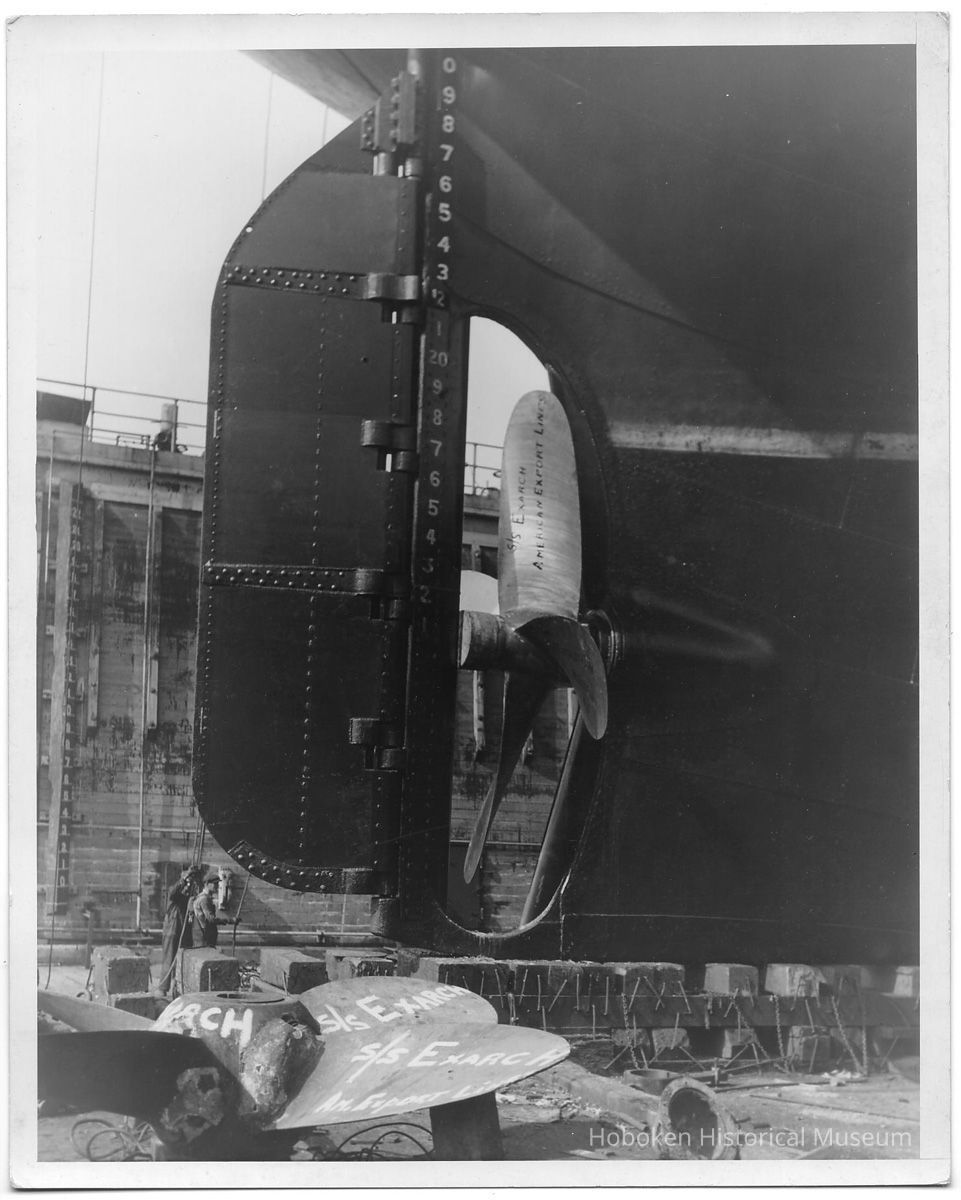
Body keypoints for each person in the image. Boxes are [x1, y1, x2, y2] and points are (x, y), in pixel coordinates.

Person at [159, 865, 201, 994]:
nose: (188, 886)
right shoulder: (175, 894)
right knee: (169, 957)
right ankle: (163, 988)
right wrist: (184, 879)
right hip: (172, 928)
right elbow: (172, 893)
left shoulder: (191, 891)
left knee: (183, 958)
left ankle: (178, 989)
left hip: (184, 929)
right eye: (187, 882)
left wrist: (194, 881)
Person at [192, 871, 233, 948]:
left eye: (217, 883)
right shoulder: (204, 899)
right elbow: (211, 919)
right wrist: (229, 921)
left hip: (204, 935)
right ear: (207, 884)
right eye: (215, 884)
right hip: (205, 937)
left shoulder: (205, 897)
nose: (217, 886)